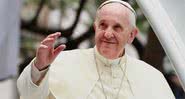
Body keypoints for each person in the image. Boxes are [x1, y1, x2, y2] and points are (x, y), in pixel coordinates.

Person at [17, 0, 175, 99]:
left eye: (117, 27)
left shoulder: (152, 77)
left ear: (132, 35)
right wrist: (39, 68)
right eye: (103, 25)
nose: (107, 33)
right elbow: (28, 95)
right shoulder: (60, 62)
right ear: (95, 28)